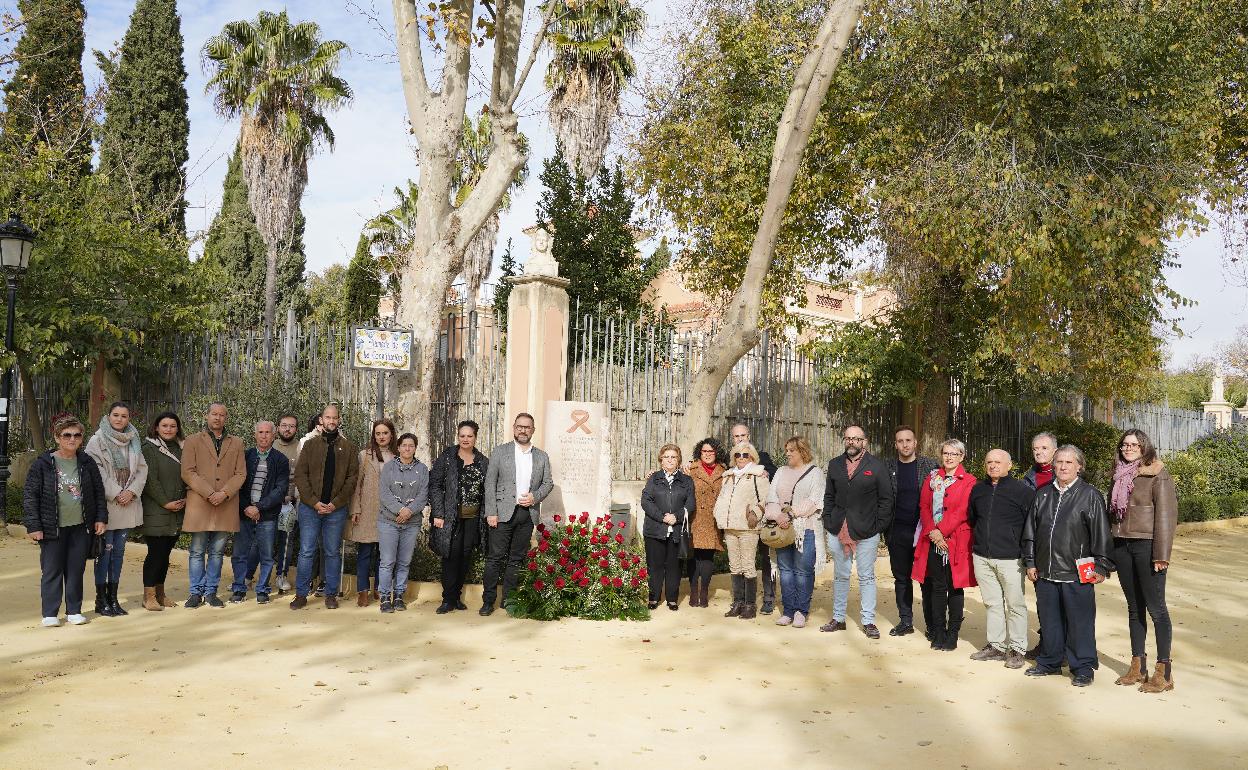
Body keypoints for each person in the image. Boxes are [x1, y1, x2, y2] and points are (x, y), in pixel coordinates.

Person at [1023, 445, 1112, 687]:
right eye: (1059, 462)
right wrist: (1030, 562)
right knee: (1050, 622)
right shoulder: (1042, 494)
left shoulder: (1090, 495)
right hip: (1046, 571)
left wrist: (1102, 567)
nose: (1063, 467)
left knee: (1079, 623)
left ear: (1079, 467)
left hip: (1077, 572)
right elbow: (1030, 532)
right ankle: (1050, 662)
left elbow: (1101, 535)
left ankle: (1083, 667)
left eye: (1069, 463)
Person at [1108, 429, 1178, 693]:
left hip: (1148, 546)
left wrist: (1162, 554)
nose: (1128, 448)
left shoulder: (1158, 473)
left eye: (1134, 444)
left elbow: (1166, 516)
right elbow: (1111, 513)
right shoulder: (1117, 474)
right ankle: (1138, 666)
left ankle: (1164, 671)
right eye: (1125, 444)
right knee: (1134, 608)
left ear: (1144, 446)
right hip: (1122, 545)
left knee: (1156, 608)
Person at [24, 414, 108, 626]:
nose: (72, 439)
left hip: (80, 526)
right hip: (52, 527)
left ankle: (74, 610)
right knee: (52, 570)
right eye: (67, 435)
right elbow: (31, 495)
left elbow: (98, 492)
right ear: (57, 437)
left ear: (81, 438)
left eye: (77, 435)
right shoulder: (43, 463)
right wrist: (34, 525)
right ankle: (50, 613)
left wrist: (100, 518)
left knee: (75, 569)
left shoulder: (87, 462)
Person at [821, 424, 894, 638]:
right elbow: (829, 496)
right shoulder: (835, 465)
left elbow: (886, 500)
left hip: (867, 532)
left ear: (865, 442)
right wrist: (828, 520)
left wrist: (878, 527)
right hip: (838, 530)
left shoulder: (876, 466)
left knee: (867, 577)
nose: (851, 442)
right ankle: (838, 618)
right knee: (841, 575)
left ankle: (869, 621)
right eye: (848, 438)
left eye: (856, 438)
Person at [480, 412, 554, 616]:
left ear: (533, 430)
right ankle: (488, 601)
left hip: (527, 514)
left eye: (527, 427)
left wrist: (535, 496)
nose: (523, 430)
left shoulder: (541, 456)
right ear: (514, 428)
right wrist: (491, 512)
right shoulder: (500, 452)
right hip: (502, 514)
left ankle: (509, 600)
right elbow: (490, 483)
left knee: (516, 559)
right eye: (520, 426)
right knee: (494, 558)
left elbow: (548, 483)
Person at [967, 449, 1035, 668]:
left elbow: (1031, 525)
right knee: (992, 603)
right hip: (983, 557)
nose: (993, 465)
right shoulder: (978, 490)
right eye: (989, 462)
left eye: (998, 462)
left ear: (1009, 465)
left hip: (1011, 559)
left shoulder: (1022, 491)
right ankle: (996, 646)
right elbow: (973, 519)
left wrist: (1027, 555)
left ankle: (1017, 648)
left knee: (1015, 604)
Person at [290, 404, 360, 610]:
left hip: (335, 510)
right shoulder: (310, 445)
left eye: (334, 418)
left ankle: (330, 594)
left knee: (331, 552)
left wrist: (334, 504)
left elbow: (352, 479)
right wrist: (314, 502)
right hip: (310, 509)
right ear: (321, 420)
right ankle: (301, 594)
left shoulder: (349, 448)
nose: (331, 421)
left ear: (339, 420)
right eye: (327, 417)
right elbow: (300, 476)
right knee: (306, 551)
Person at [83, 401, 148, 618]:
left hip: (128, 503)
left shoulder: (134, 439)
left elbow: (141, 468)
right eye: (116, 415)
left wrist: (131, 492)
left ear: (129, 419)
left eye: (124, 416)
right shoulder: (97, 440)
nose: (119, 419)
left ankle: (113, 598)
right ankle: (101, 600)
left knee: (118, 554)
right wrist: (118, 492)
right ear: (108, 416)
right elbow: (96, 471)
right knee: (105, 552)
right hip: (108, 505)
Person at [912, 439, 977, 651]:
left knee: (955, 588)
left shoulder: (969, 481)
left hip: (956, 541)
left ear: (962, 457)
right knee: (937, 587)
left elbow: (962, 510)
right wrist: (933, 531)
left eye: (954, 454)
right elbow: (923, 506)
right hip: (932, 539)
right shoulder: (932, 478)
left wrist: (942, 531)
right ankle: (938, 631)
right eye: (946, 453)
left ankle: (953, 634)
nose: (949, 457)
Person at [181, 403, 247, 608]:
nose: (217, 418)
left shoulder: (236, 442)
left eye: (221, 415)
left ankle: (211, 592)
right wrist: (210, 493)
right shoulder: (192, 440)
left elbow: (241, 473)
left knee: (218, 552)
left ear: (226, 418)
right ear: (207, 416)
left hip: (225, 504)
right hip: (200, 503)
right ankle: (195, 592)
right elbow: (187, 472)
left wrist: (224, 493)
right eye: (214, 414)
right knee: (197, 550)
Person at [764, 436, 826, 628]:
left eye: (792, 450)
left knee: (803, 571)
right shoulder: (781, 472)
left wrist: (791, 515)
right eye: (787, 450)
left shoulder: (815, 473)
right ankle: (788, 610)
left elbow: (815, 500)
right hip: (782, 529)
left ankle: (801, 610)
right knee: (785, 570)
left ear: (802, 451)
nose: (788, 453)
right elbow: (771, 498)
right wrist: (778, 516)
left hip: (805, 529)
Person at [429, 420, 489, 614]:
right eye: (462, 435)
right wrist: (438, 513)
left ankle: (457, 596)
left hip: (473, 518)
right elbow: (435, 485)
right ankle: (448, 599)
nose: (465, 439)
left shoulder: (482, 461)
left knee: (465, 555)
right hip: (450, 517)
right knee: (451, 555)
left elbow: (486, 490)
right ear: (458, 436)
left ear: (475, 437)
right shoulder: (447, 457)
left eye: (469, 436)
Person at [883, 425, 938, 636]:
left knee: (927, 579)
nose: (904, 444)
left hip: (924, 533)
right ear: (895, 444)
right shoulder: (888, 467)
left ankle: (932, 625)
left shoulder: (930, 466)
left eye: (908, 440)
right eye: (900, 441)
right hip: (897, 532)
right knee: (902, 579)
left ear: (915, 443)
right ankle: (905, 621)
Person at [229, 421, 290, 604]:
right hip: (244, 513)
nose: (264, 436)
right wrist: (247, 507)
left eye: (267, 432)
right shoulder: (245, 456)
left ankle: (262, 589)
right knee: (239, 554)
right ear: (255, 435)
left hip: (267, 515)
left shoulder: (280, 460)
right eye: (260, 432)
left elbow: (280, 489)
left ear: (274, 435)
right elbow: (237, 484)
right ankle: (239, 589)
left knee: (266, 555)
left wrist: (259, 507)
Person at [713, 441, 771, 620]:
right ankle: (738, 602)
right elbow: (723, 498)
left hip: (748, 527)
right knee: (734, 565)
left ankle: (750, 605)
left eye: (745, 455)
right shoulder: (728, 476)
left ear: (752, 457)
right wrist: (718, 513)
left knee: (747, 565)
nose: (741, 458)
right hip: (730, 526)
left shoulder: (759, 475)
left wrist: (755, 512)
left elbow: (766, 499)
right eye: (737, 455)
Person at [139, 411, 187, 611]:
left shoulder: (180, 448)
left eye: (172, 426)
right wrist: (165, 502)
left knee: (165, 555)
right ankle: (148, 596)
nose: (169, 429)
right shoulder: (149, 448)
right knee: (155, 554)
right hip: (156, 509)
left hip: (176, 510)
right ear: (156, 427)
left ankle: (160, 593)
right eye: (165, 426)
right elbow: (150, 481)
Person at [729, 422, 778, 614]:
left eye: (743, 435)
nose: (740, 439)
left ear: (748, 436)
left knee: (766, 559)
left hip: (762, 518)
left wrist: (763, 470)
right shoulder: (732, 460)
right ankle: (741, 601)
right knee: (743, 562)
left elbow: (775, 476)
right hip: (741, 524)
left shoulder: (762, 457)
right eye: (736, 436)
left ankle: (768, 598)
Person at [377, 432, 429, 613]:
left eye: (411, 446)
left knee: (404, 561)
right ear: (398, 447)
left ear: (415, 448)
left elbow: (423, 494)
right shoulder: (389, 468)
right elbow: (384, 493)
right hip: (388, 521)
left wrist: (409, 512)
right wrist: (400, 510)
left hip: (412, 523)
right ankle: (384, 597)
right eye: (404, 445)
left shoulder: (422, 469)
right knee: (387, 561)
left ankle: (399, 595)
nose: (407, 448)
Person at [641, 444, 695, 611]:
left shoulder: (686, 480)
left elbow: (690, 503)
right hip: (655, 529)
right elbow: (646, 501)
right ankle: (654, 597)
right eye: (666, 457)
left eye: (673, 457)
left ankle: (672, 598)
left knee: (674, 566)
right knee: (655, 565)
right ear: (661, 460)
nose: (670, 460)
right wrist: (662, 517)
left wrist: (676, 517)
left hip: (677, 530)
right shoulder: (654, 478)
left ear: (678, 460)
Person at [347, 419, 395, 607]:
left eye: (385, 433)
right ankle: (362, 590)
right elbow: (357, 485)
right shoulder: (364, 455)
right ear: (373, 435)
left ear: (391, 435)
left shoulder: (396, 456)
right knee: (365, 552)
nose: (381, 436)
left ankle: (380, 587)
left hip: (388, 512)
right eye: (378, 433)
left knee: (384, 554)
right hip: (366, 511)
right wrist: (355, 509)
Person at [1022, 430, 1059, 659]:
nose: (1039, 452)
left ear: (1055, 450)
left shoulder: (1066, 473)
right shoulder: (1029, 479)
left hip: (1063, 548)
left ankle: (1064, 647)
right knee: (1044, 600)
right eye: (1036, 448)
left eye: (1044, 448)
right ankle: (1047, 643)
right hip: (1039, 546)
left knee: (1063, 601)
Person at [686, 438, 726, 608]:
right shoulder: (690, 469)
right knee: (694, 556)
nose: (708, 454)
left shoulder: (724, 471)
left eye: (711, 451)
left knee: (708, 556)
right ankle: (694, 590)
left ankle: (704, 591)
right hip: (695, 518)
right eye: (704, 451)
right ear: (699, 453)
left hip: (713, 519)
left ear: (716, 453)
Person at [271, 413, 301, 593]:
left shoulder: (300, 448)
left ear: (296, 429)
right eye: (284, 425)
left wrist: (292, 496)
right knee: (261, 541)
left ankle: (281, 576)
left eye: (291, 426)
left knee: (286, 541)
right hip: (267, 503)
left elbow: (300, 476)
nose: (287, 429)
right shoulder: (270, 444)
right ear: (278, 427)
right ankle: (249, 576)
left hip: (289, 503)